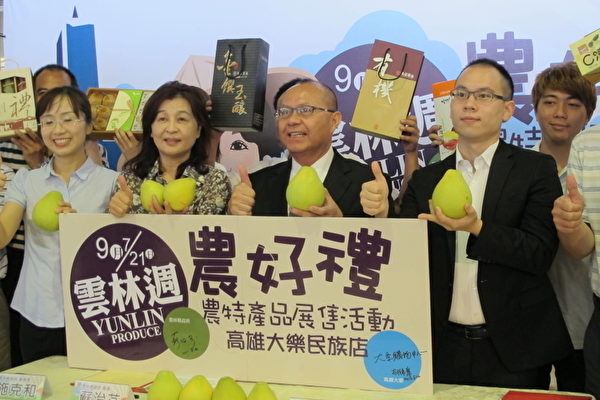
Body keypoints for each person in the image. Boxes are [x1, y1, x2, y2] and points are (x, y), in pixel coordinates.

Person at [365, 58, 572, 388]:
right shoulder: (427, 178)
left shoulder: (535, 169)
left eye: (484, 95)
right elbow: (402, 255)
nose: (469, 103)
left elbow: (539, 253)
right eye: (461, 94)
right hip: (441, 346)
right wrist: (381, 215)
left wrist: (477, 229)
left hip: (515, 347)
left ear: (507, 110)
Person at [1, 86, 117, 363]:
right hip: (37, 310)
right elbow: (3, 234)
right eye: (48, 121)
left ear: (88, 126)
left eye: (68, 119)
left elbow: (121, 249)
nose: (58, 130)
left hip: (97, 311)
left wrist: (82, 228)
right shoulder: (26, 180)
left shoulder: (112, 182)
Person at [227, 79, 415, 217]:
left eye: (305, 110)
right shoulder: (256, 185)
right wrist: (233, 214)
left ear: (334, 121)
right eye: (284, 112)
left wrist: (380, 214)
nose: (292, 120)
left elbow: (391, 248)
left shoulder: (368, 182)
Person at [108, 81, 231, 216]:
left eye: (182, 119)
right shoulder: (130, 179)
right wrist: (116, 212)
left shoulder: (214, 180)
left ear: (198, 130)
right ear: (150, 129)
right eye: (162, 119)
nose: (171, 129)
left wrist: (175, 222)